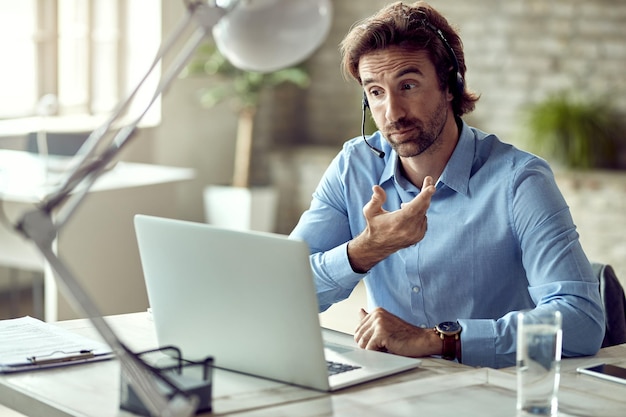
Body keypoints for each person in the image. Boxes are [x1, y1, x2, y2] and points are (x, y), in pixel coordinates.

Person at [289, 1, 605, 368]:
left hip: (489, 389)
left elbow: (582, 320)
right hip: (390, 390)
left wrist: (436, 340)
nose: (391, 113)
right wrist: (365, 250)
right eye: (376, 92)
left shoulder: (520, 180)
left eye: (408, 85)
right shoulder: (353, 166)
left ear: (450, 85)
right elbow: (282, 290)